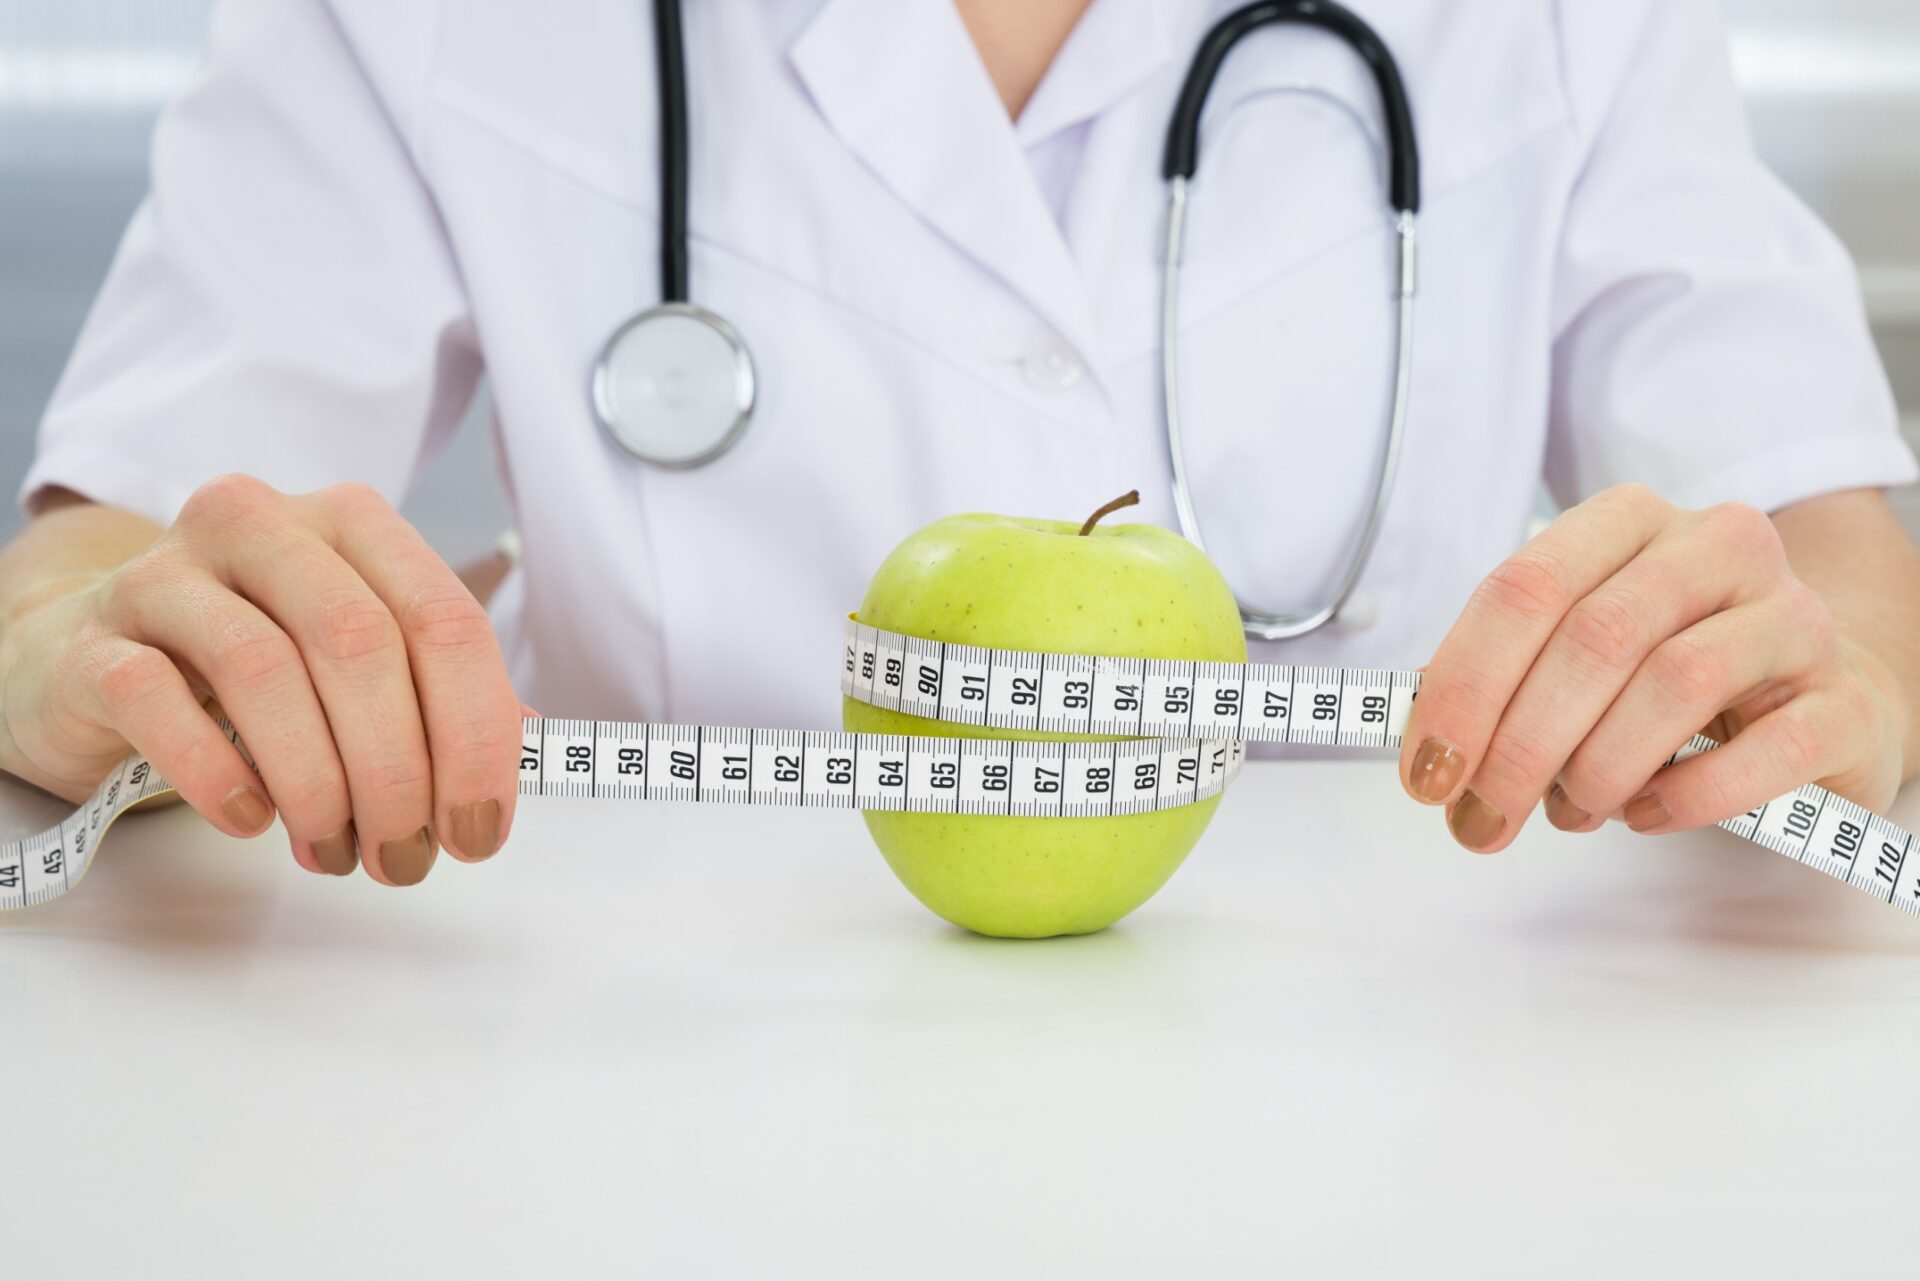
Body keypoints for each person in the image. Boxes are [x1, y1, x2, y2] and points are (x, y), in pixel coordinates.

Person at [3, 0, 1917, 888]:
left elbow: (1842, 580)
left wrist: (1817, 681)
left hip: (1396, 1107)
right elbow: (92, 577)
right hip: (611, 1103)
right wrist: (108, 655)